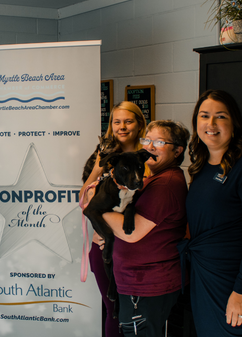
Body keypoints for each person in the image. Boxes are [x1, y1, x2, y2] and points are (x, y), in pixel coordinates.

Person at [182, 90, 242, 336]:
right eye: (204, 116)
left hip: (236, 282)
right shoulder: (201, 166)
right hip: (204, 278)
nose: (211, 124)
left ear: (234, 123)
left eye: (220, 116)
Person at [100, 120, 190, 336]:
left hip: (146, 286)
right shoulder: (154, 178)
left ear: (178, 150)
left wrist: (96, 207)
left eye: (159, 142)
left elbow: (131, 233)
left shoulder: (165, 184)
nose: (149, 146)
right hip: (138, 284)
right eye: (146, 140)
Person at [79, 101, 146, 337]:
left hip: (139, 248)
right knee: (113, 310)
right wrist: (99, 168)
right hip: (104, 245)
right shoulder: (103, 154)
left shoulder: (150, 156)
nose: (122, 127)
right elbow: (84, 199)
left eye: (128, 121)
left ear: (139, 124)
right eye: (117, 122)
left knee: (136, 314)